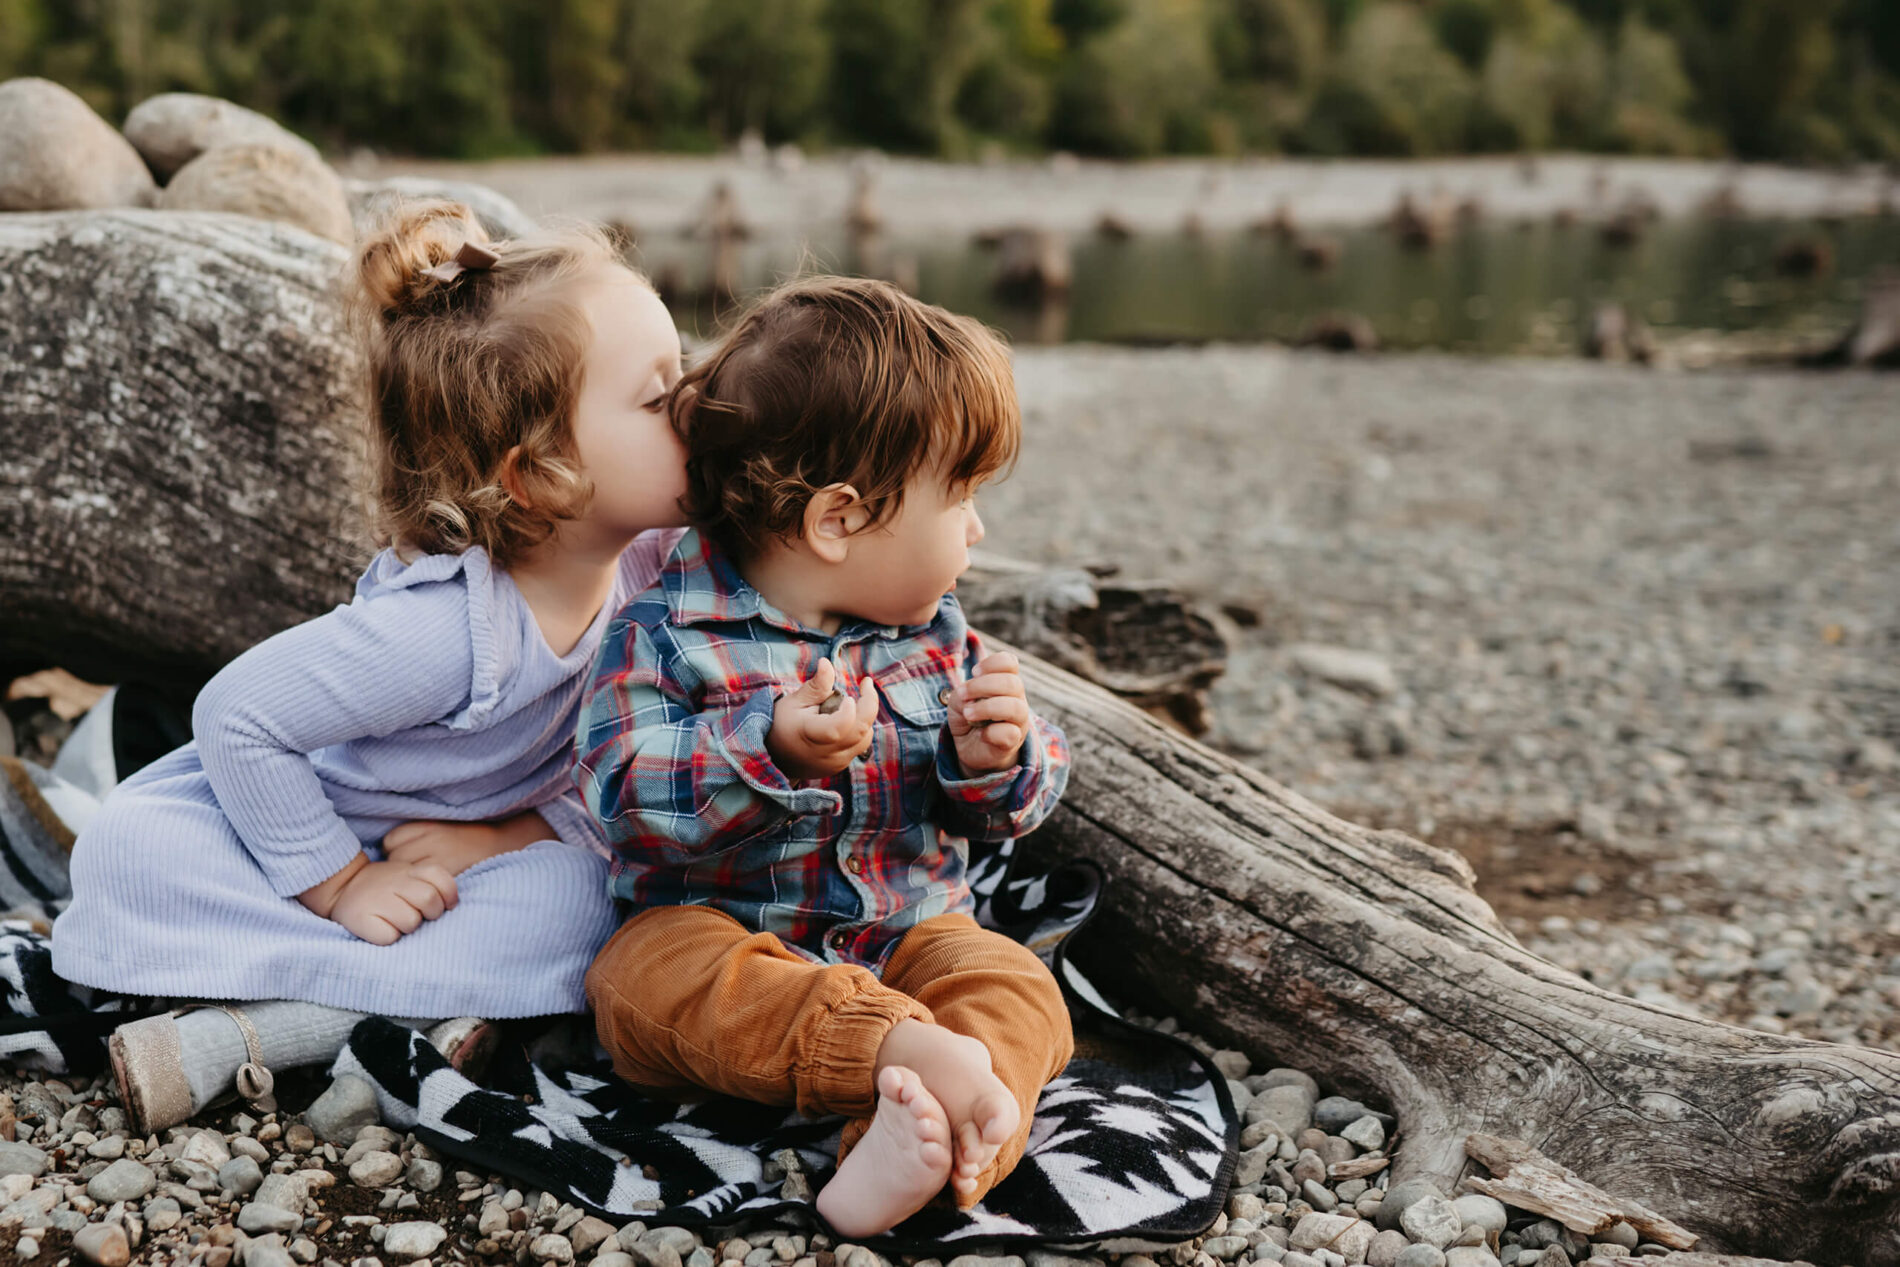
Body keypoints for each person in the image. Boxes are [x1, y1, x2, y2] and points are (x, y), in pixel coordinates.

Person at [50, 200, 689, 1132]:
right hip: (306, 833)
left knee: (591, 895)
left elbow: (615, 751)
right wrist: (344, 882)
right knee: (131, 852)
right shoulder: (451, 631)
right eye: (661, 395)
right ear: (544, 474)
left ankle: (329, 1018)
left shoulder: (647, 563)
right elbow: (237, 715)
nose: (698, 406)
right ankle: (366, 1016)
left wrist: (504, 838)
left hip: (459, 848)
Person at [577, 277, 1073, 1236]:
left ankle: (916, 1148)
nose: (976, 529)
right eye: (961, 496)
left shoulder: (937, 639)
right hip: (724, 932)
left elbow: (1013, 806)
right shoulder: (668, 633)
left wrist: (995, 759)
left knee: (1017, 988)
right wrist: (764, 746)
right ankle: (902, 1055)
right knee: (636, 982)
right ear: (837, 521)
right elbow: (621, 794)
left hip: (910, 939)